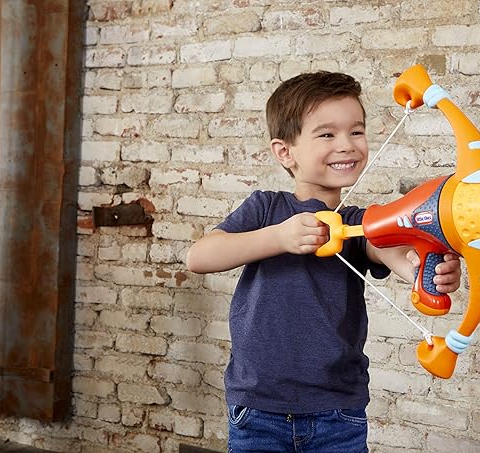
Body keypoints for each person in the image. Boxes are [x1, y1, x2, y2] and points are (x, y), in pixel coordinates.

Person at [186, 71, 461, 453]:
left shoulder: (359, 222)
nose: (347, 145)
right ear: (285, 152)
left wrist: (429, 269)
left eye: (356, 131)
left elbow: (396, 256)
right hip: (258, 408)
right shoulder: (266, 208)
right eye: (327, 134)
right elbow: (199, 257)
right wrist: (279, 237)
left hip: (338, 414)